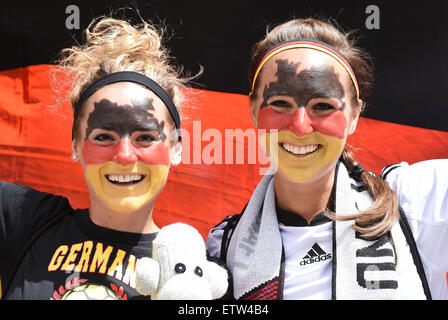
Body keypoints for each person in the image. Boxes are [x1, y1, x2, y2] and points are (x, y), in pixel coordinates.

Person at [206, 18, 448, 300]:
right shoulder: (223, 247)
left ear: (354, 115)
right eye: (280, 104)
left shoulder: (413, 199)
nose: (299, 127)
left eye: (322, 106)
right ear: (254, 110)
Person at [0, 17, 188, 300]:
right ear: (76, 146)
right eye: (103, 137)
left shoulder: (189, 273)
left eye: (145, 138)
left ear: (175, 148)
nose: (124, 155)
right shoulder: (26, 220)